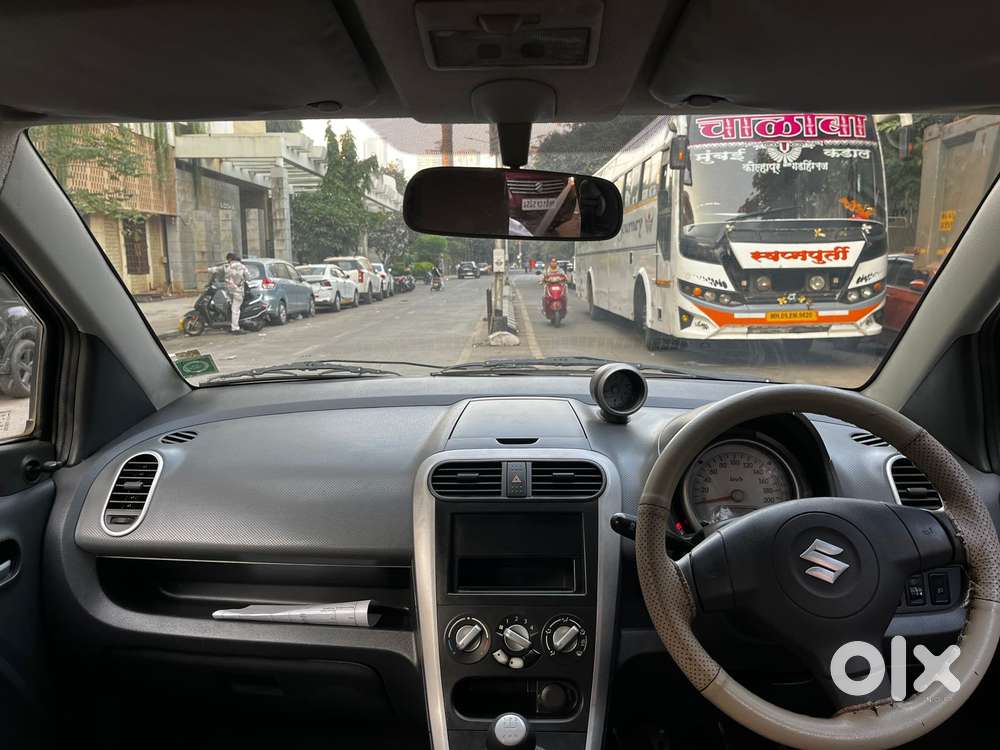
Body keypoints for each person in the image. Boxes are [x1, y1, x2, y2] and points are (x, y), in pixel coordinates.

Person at [224, 252, 250, 334]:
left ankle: (232, 326)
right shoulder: (242, 267)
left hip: (229, 291)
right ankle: (235, 328)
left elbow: (217, 271)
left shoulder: (227, 267)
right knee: (236, 310)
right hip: (238, 291)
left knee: (231, 309)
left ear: (230, 259)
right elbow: (248, 277)